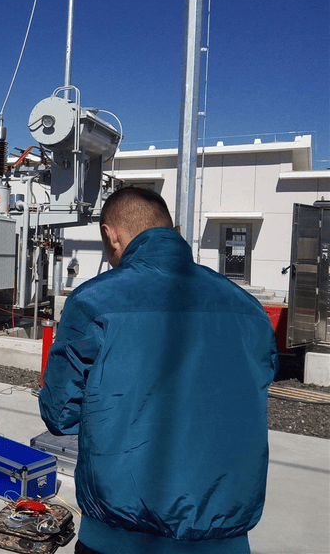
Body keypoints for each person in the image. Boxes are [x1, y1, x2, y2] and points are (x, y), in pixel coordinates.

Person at [39, 186, 278, 554]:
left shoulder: (93, 302)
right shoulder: (250, 310)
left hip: (119, 536)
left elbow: (60, 414)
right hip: (225, 538)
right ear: (172, 230)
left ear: (110, 234)